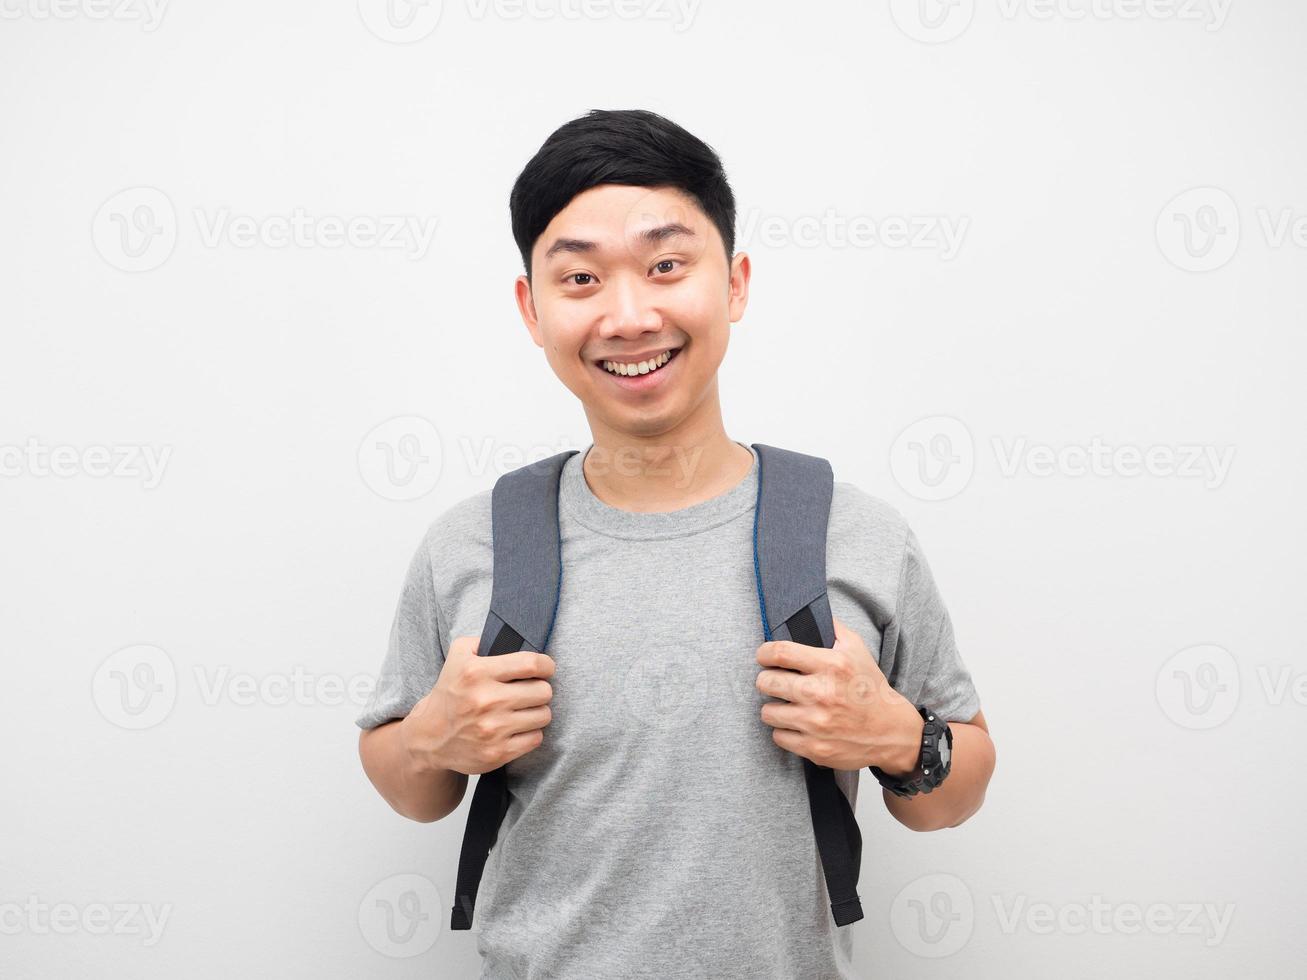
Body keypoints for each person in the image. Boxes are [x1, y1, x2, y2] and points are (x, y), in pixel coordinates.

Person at [356, 108, 995, 978]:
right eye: (579, 279)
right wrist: (433, 739)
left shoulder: (856, 533)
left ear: (732, 283)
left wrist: (897, 739)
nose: (629, 315)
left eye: (665, 265)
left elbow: (950, 798)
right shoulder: (473, 544)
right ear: (531, 309)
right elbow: (410, 786)